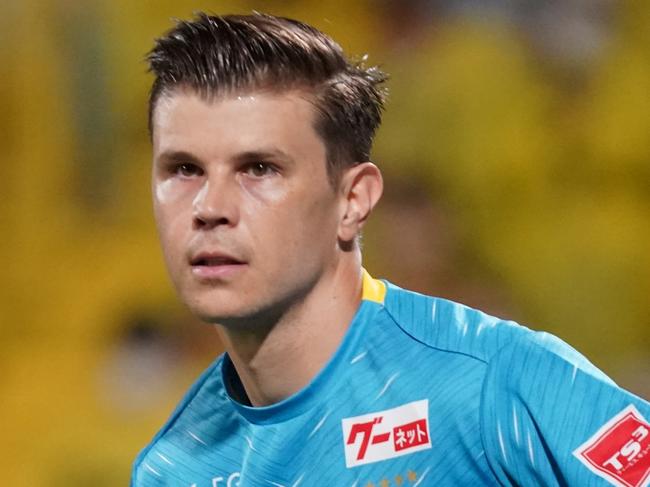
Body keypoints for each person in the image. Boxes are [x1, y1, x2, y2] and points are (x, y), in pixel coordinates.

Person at [132, 12, 650, 487]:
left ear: (353, 200)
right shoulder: (173, 467)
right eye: (183, 169)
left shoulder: (493, 383)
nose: (210, 206)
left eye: (260, 169)